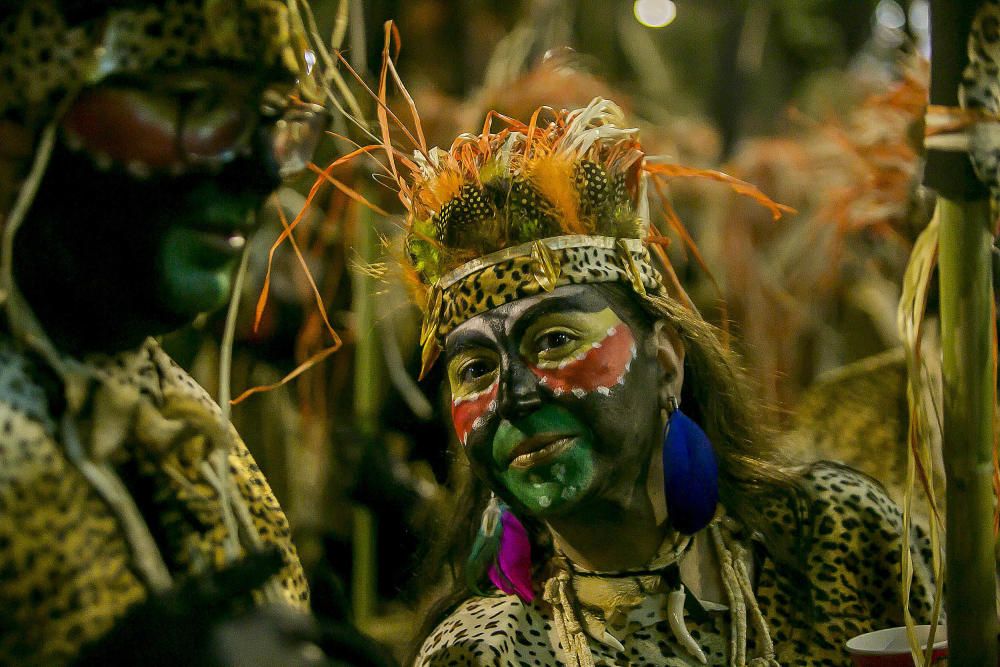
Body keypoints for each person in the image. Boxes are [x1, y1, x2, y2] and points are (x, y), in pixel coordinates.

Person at [382, 99, 937, 665]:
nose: (515, 395)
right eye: (476, 370)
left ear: (666, 361)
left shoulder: (836, 538)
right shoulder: (482, 652)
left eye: (554, 341)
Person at [0, 1, 389, 665]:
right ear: (26, 120)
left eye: (270, 120)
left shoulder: (178, 414)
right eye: (198, 103)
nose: (262, 172)